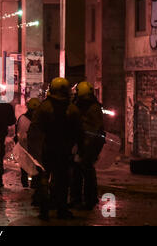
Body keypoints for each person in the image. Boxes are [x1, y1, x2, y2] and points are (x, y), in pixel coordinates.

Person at [32, 78, 82, 220]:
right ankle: (61, 209)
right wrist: (80, 149)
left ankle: (44, 209)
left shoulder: (44, 107)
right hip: (64, 150)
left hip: (46, 148)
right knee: (62, 181)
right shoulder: (72, 108)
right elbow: (79, 131)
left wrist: (34, 149)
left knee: (43, 178)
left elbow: (35, 129)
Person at [70, 82, 105, 210]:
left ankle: (89, 199)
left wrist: (85, 145)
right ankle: (77, 199)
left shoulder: (91, 107)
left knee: (86, 170)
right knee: (77, 171)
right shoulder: (82, 105)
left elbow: (94, 128)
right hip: (81, 142)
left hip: (88, 144)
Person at [15, 98, 41, 188]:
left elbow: (17, 130)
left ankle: (25, 183)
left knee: (24, 164)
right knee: (35, 164)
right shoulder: (39, 118)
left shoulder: (22, 118)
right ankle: (34, 184)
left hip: (24, 144)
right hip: (34, 145)